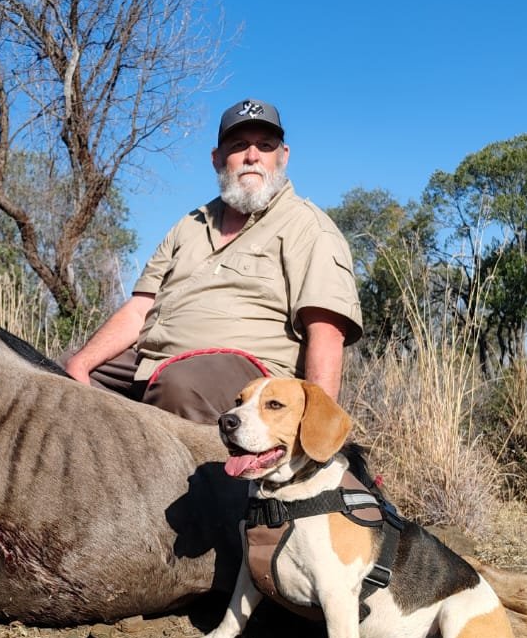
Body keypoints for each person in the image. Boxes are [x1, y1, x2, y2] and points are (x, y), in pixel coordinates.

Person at [64, 98, 362, 423]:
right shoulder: (188, 225)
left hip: (251, 377)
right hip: (152, 362)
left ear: (283, 156)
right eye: (238, 146)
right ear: (217, 159)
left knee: (179, 385)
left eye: (265, 145)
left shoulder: (308, 227)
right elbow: (140, 309)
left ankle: (213, 472)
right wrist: (80, 363)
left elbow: (327, 332)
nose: (252, 156)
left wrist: (318, 431)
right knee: (57, 378)